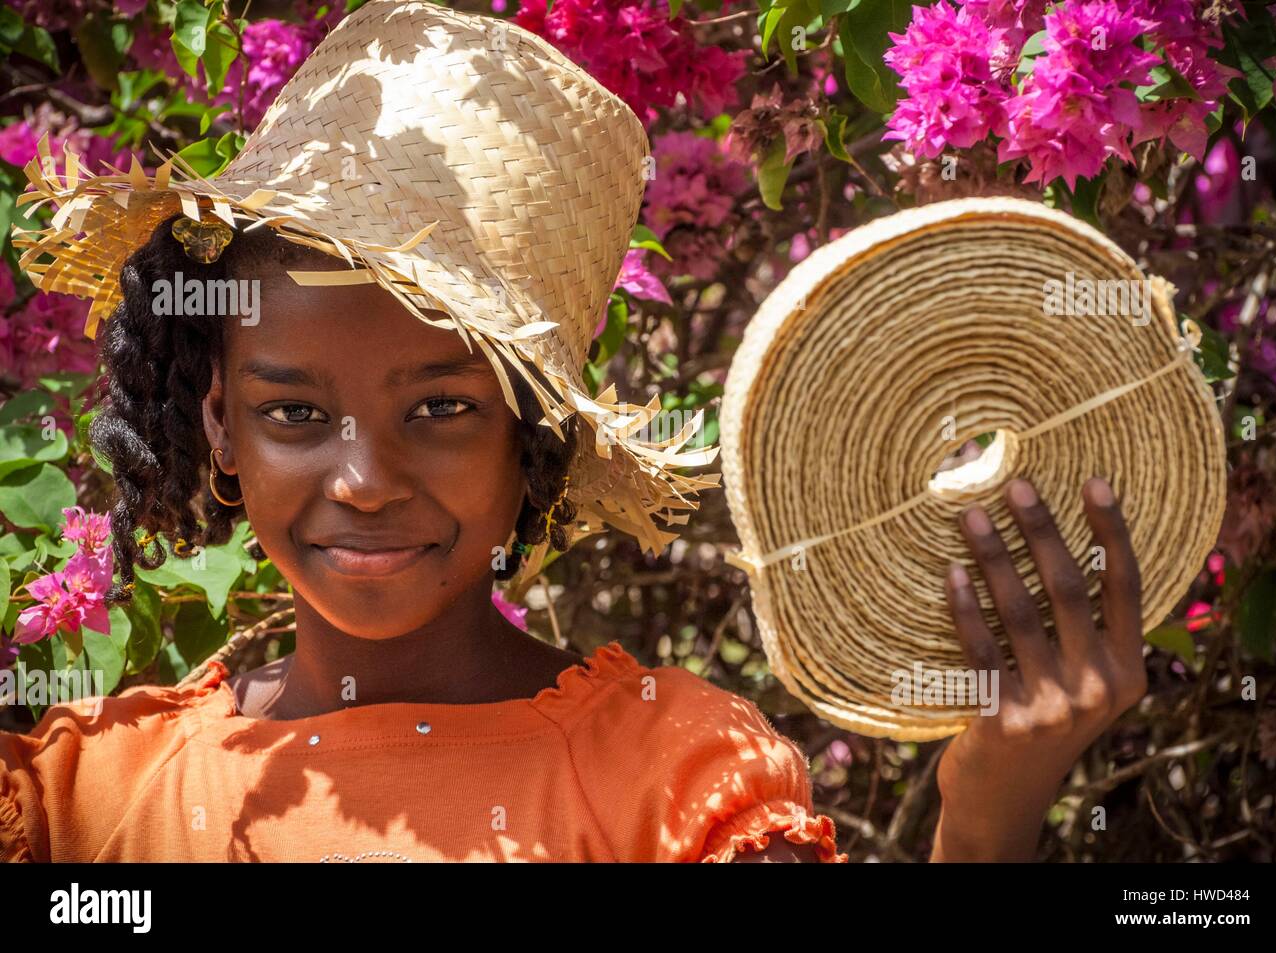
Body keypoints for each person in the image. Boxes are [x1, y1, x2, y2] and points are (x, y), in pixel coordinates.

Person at [0, 0, 1147, 863]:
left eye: (441, 408)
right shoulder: (87, 797)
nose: (362, 478)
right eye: (294, 412)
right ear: (219, 426)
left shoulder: (669, 783)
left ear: (531, 439)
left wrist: (987, 806)